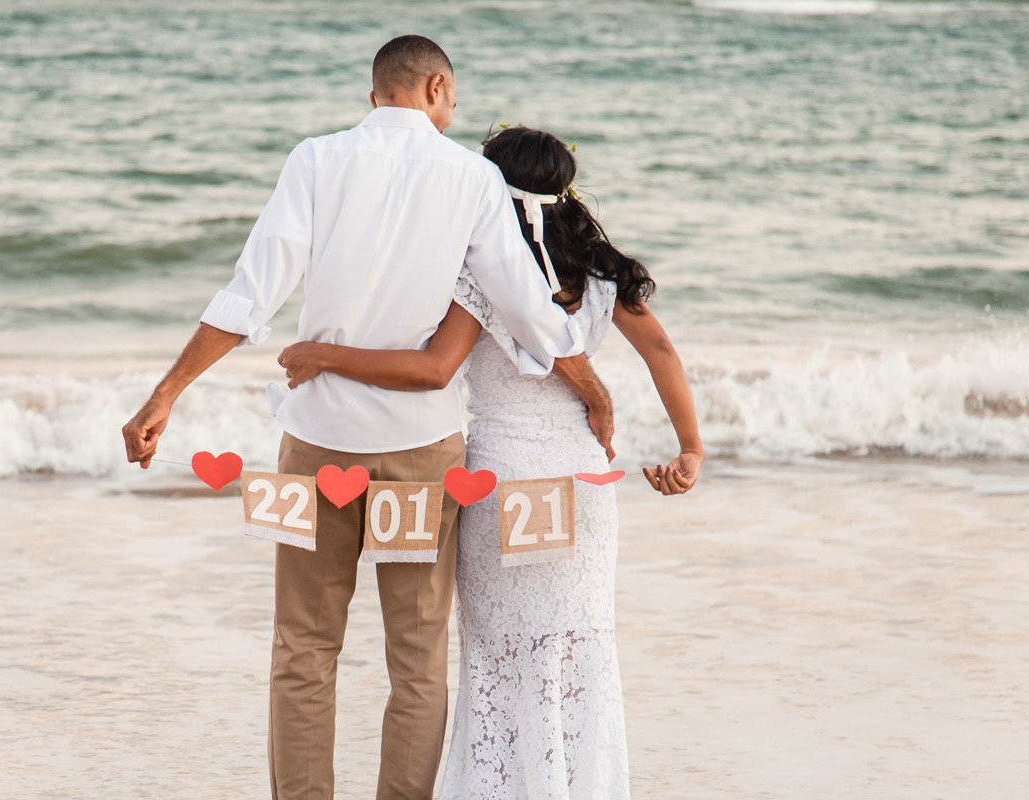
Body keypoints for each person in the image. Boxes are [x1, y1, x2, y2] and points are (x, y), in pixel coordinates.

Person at [122, 38, 617, 800]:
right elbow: (525, 305)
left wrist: (165, 395)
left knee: (303, 650)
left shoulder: (315, 161)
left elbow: (251, 294)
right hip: (422, 449)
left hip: (320, 443)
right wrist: (590, 387)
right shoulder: (471, 177)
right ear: (436, 89)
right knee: (415, 659)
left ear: (377, 90)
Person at [278, 125, 704, 798]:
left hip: (498, 484)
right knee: (576, 654)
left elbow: (432, 368)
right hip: (582, 483)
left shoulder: (478, 274)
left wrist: (326, 354)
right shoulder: (599, 273)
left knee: (498, 660)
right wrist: (691, 448)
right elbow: (663, 355)